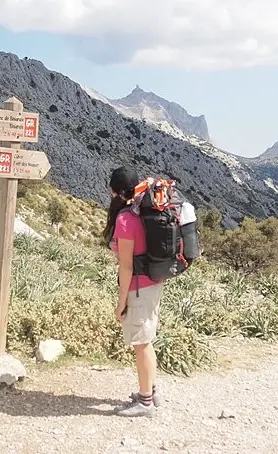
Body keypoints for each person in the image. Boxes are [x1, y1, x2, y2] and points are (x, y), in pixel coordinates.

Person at [103, 166, 164, 418]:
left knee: (142, 343)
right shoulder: (142, 211)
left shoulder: (126, 219)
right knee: (146, 339)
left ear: (114, 191)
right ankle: (151, 390)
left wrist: (121, 302)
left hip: (138, 287)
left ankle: (146, 402)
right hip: (153, 283)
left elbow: (126, 265)